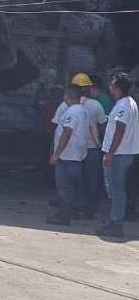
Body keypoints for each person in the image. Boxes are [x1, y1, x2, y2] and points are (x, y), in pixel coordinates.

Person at [97, 71, 139, 237]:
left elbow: (119, 131)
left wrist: (110, 154)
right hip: (124, 153)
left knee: (116, 189)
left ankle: (116, 223)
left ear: (118, 88)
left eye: (112, 84)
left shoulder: (123, 106)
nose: (110, 87)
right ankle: (115, 221)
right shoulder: (130, 103)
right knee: (118, 188)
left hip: (119, 154)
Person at [48, 85, 91, 226]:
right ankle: (71, 211)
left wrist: (56, 154)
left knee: (64, 188)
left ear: (67, 95)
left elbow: (66, 133)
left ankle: (63, 216)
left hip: (67, 157)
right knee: (72, 188)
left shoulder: (72, 112)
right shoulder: (83, 111)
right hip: (77, 156)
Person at [71, 73, 107, 218]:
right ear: (88, 88)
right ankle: (90, 209)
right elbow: (103, 125)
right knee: (92, 179)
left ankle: (76, 206)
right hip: (92, 148)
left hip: (75, 148)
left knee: (76, 179)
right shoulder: (96, 105)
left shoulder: (69, 104)